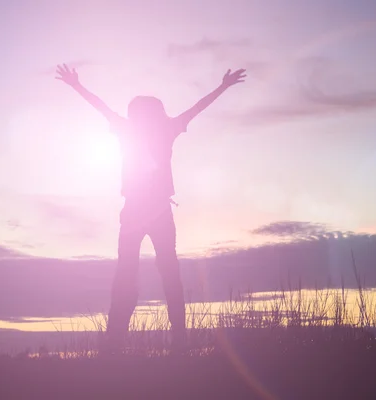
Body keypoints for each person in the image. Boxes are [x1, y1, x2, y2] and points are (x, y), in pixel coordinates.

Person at [55, 63, 246, 354]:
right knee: (156, 277)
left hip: (143, 212)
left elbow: (102, 107)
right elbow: (196, 108)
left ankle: (119, 347)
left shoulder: (134, 129)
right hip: (145, 213)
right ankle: (152, 345)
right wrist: (223, 86)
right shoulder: (158, 129)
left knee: (136, 277)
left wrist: (76, 85)